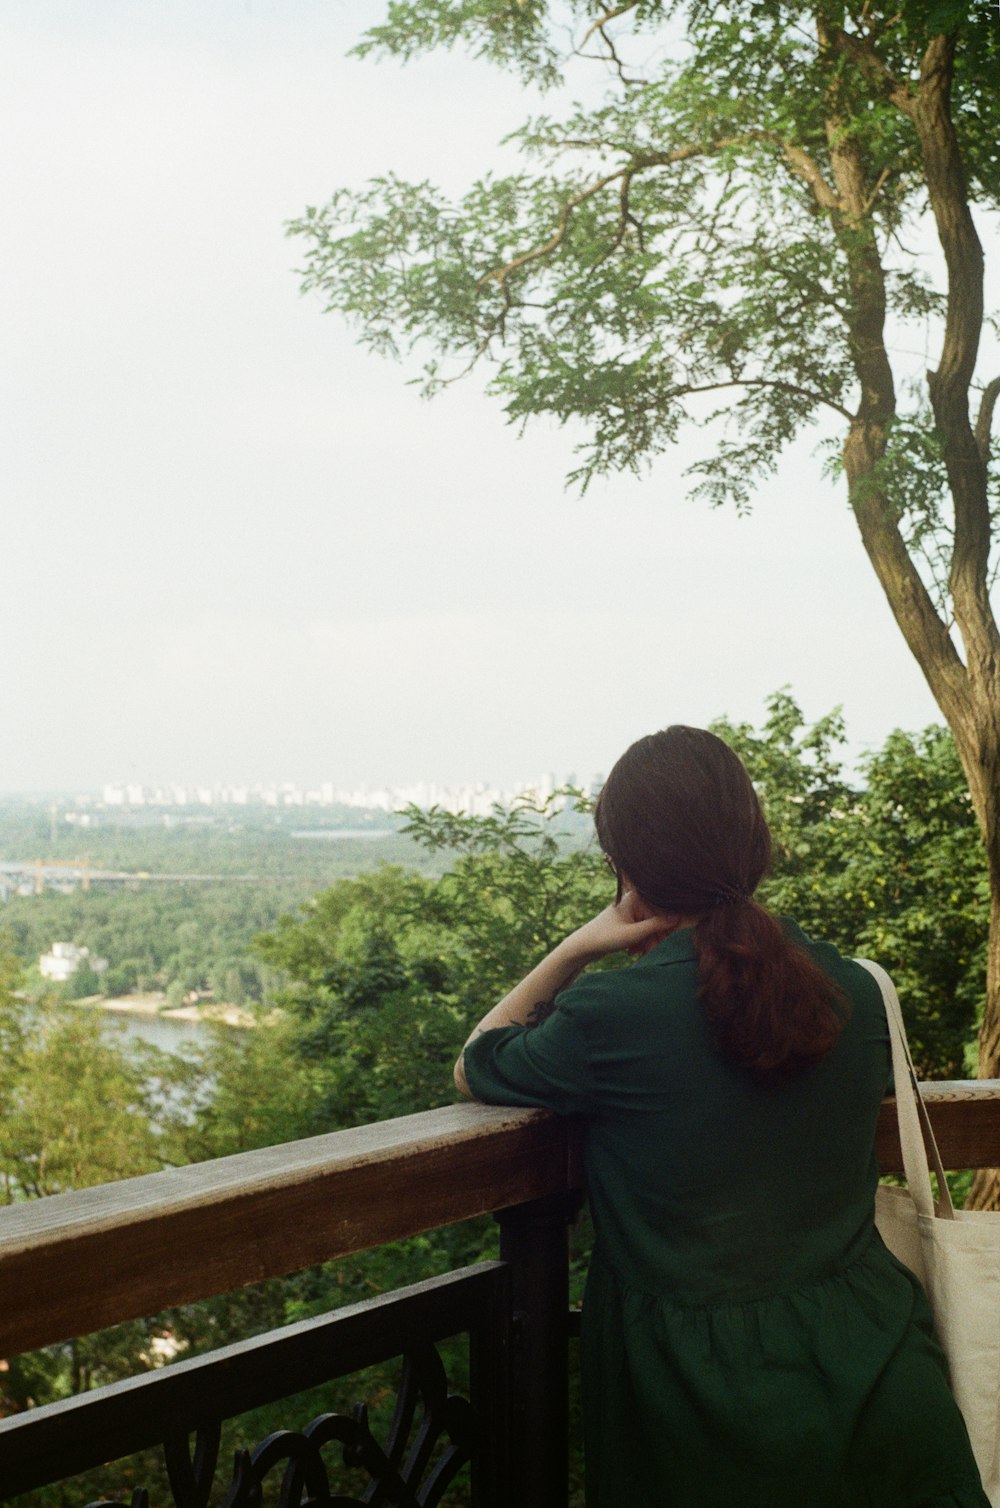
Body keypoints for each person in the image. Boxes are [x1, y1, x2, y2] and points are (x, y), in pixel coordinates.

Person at [454, 726, 989, 1508]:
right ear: (753, 846)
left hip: (698, 1409)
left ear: (625, 868)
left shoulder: (612, 1016)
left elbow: (475, 1061)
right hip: (878, 1381)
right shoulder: (859, 991)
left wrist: (577, 948)